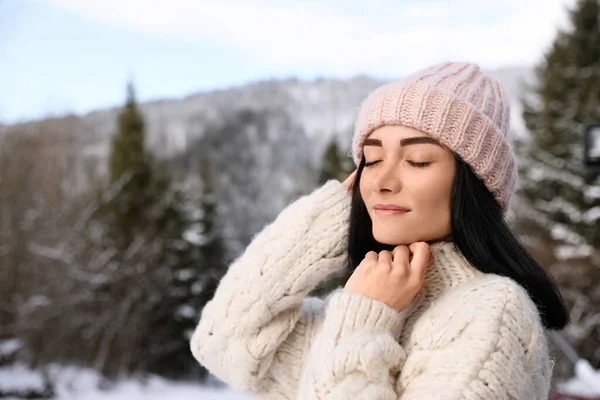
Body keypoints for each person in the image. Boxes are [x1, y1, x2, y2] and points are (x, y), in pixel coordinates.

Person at [190, 62, 570, 399]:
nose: (382, 181)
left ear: (473, 184)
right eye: (371, 160)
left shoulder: (492, 314)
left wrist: (361, 322)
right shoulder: (370, 301)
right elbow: (221, 342)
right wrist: (330, 218)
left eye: (417, 161)